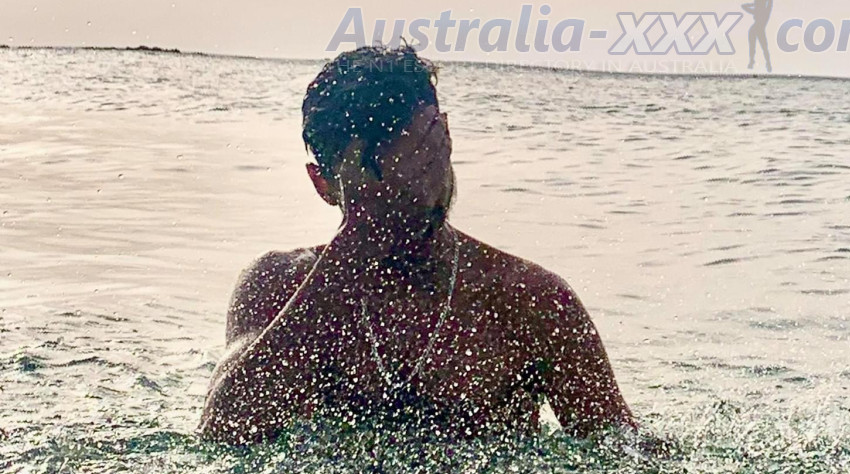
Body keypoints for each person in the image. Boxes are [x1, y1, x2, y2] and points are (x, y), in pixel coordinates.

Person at [199, 45, 636, 445]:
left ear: (446, 139)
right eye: (384, 180)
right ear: (323, 185)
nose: (416, 193)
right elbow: (223, 431)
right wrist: (359, 240)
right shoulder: (278, 286)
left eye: (425, 161)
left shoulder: (526, 301)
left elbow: (625, 457)